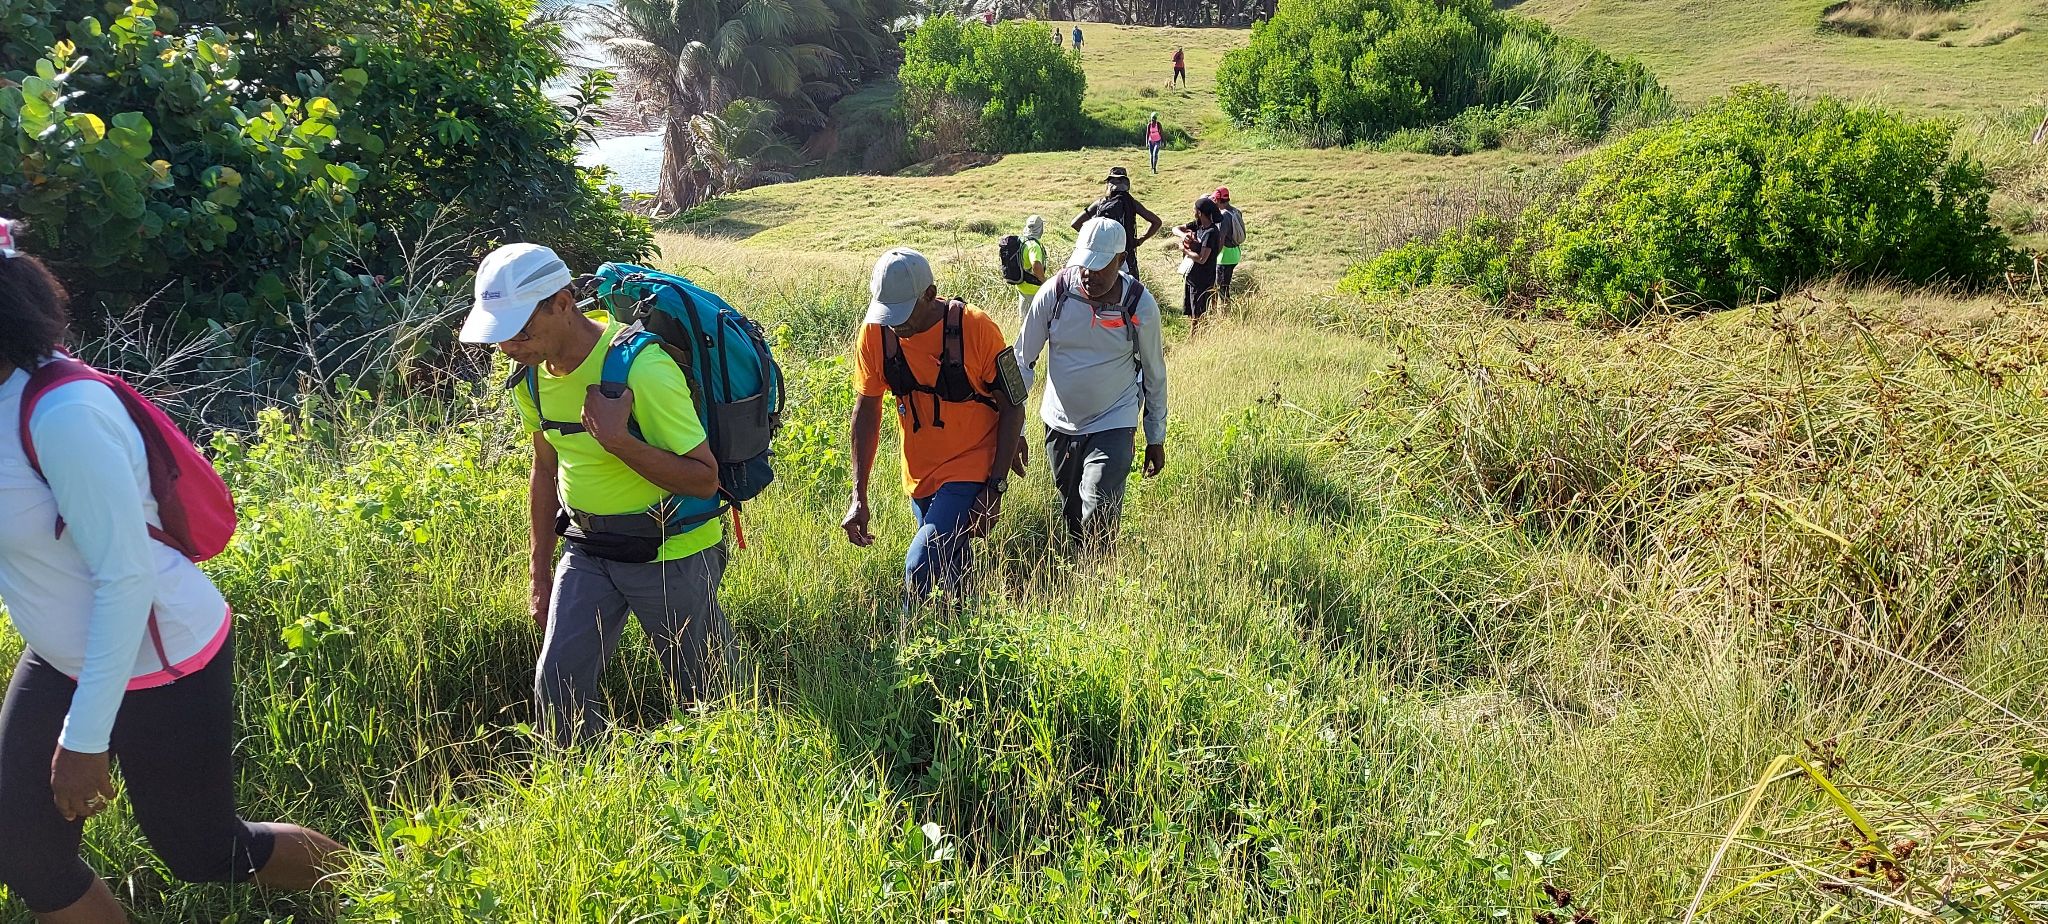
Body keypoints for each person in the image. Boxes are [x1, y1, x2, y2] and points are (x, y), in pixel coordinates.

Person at [0, 220, 343, 920]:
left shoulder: (63, 413)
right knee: (23, 846)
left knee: (203, 850)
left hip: (158, 655)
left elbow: (126, 579)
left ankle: (376, 883)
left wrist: (85, 740)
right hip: (64, 653)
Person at [458, 243, 734, 749]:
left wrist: (618, 441)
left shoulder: (640, 368)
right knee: (557, 688)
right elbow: (545, 470)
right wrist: (540, 573)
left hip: (671, 551)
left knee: (709, 693)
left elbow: (703, 480)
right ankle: (581, 781)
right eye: (500, 335)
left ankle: (727, 777)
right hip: (586, 549)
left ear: (563, 303)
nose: (509, 347)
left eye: (520, 331)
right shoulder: (531, 380)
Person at [844, 249, 1027, 611]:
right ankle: (966, 630)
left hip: (972, 464)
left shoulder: (976, 328)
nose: (893, 324)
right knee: (951, 568)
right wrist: (858, 495)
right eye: (887, 312)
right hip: (920, 474)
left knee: (921, 564)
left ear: (930, 294)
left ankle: (907, 638)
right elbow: (866, 411)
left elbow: (1013, 405)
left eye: (901, 312)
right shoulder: (876, 334)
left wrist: (995, 488)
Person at [1015, 217, 1169, 551]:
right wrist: (1017, 429)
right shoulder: (1055, 293)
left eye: (1099, 266)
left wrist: (1155, 436)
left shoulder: (1139, 304)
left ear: (1120, 259)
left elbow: (1154, 373)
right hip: (1059, 421)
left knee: (1098, 509)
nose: (1089, 274)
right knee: (1071, 511)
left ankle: (1099, 572)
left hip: (1114, 418)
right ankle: (1083, 569)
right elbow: (1021, 361)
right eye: (1085, 263)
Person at [1071, 167, 1162, 282]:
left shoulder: (1100, 203)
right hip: (1125, 254)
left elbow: (1075, 223)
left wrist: (1094, 237)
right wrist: (1140, 240)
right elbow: (1157, 222)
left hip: (1100, 255)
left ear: (1108, 184)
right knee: (1128, 286)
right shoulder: (1132, 203)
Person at [1176, 196, 1224, 332]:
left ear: (1200, 212)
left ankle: (1197, 337)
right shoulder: (1199, 225)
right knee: (1192, 312)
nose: (1193, 212)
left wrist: (1184, 250)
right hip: (1193, 277)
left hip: (1202, 280)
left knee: (1199, 315)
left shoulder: (1211, 232)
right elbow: (1176, 228)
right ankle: (1196, 335)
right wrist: (1184, 236)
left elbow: (1202, 258)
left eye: (1194, 210)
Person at [1214, 186, 1245, 305]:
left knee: (1222, 289)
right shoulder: (1236, 211)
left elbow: (1221, 239)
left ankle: (1226, 312)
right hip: (1235, 253)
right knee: (1225, 287)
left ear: (1217, 200)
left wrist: (1213, 256)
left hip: (1224, 257)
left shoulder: (1223, 216)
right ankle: (1225, 310)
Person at [1016, 215, 1051, 308]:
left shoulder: (1023, 241)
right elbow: (1036, 264)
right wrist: (1044, 281)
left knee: (1024, 314)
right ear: (1039, 228)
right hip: (1033, 288)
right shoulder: (1034, 246)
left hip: (1022, 285)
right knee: (1036, 315)